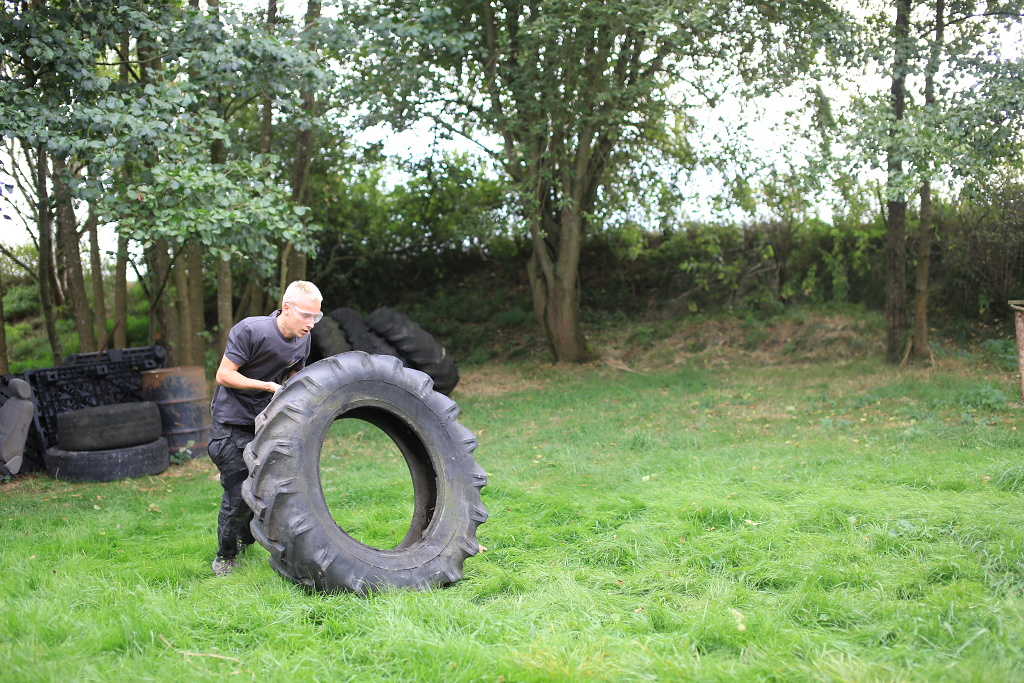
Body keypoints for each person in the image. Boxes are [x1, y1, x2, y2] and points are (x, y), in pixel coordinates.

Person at [207, 280, 324, 576]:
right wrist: (268, 386)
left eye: (316, 317)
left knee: (266, 490)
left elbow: (296, 374)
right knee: (238, 494)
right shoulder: (251, 330)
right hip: (231, 424)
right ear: (287, 308)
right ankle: (225, 556)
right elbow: (224, 375)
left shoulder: (302, 338)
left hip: (266, 425)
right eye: (306, 316)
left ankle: (247, 537)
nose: (311, 324)